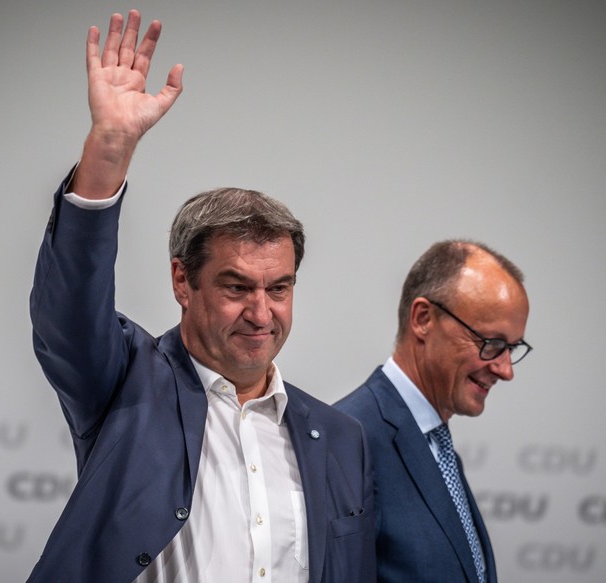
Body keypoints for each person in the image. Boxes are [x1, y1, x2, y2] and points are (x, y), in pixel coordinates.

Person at [28, 10, 374, 583]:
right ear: (182, 282)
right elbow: (68, 313)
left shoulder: (341, 439)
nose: (261, 313)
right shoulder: (127, 383)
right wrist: (109, 149)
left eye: (279, 288)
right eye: (237, 287)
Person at [335, 240, 531, 583]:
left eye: (512, 348)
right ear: (423, 319)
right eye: (492, 344)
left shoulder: (437, 444)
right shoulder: (350, 440)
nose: (505, 369)